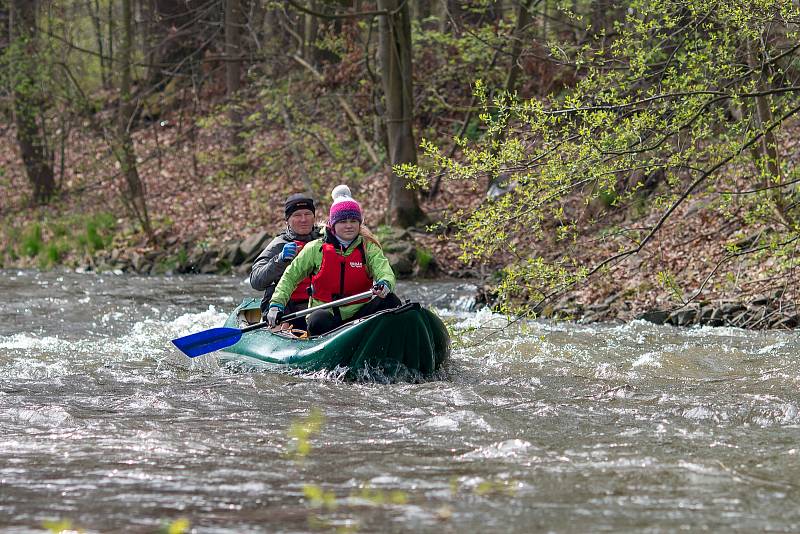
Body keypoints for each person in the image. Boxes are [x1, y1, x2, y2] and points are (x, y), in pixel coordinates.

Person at [266, 184, 401, 335]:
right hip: (327, 315)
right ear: (333, 224)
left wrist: (385, 283)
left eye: (353, 221)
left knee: (391, 300)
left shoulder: (368, 247)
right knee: (318, 319)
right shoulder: (315, 248)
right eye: (343, 222)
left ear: (359, 223)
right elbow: (289, 277)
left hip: (360, 314)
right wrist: (276, 305)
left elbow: (384, 271)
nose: (349, 226)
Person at [249, 193, 322, 329]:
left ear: (314, 217)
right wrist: (279, 260)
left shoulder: (325, 240)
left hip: (318, 305)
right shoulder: (279, 244)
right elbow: (256, 280)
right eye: (297, 215)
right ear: (287, 220)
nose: (303, 219)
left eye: (307, 214)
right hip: (285, 308)